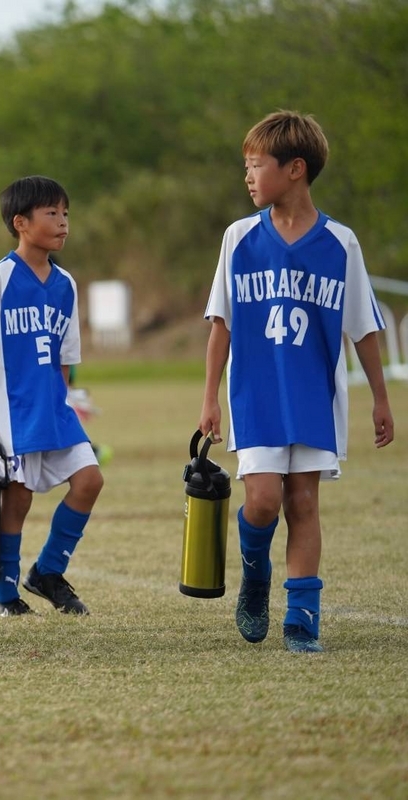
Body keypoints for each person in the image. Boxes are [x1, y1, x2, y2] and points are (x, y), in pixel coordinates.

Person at [198, 110, 394, 653]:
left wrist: (381, 399)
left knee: (303, 502)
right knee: (262, 500)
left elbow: (363, 328)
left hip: (314, 395)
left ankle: (303, 619)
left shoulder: (341, 243)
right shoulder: (239, 238)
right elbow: (221, 324)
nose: (248, 176)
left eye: (256, 165)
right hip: (256, 393)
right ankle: (255, 573)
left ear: (295, 169)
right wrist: (210, 397)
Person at [0, 176, 104, 619]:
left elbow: (65, 357)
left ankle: (47, 571)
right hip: (12, 409)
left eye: (66, 213)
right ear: (20, 223)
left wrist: (62, 402)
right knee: (18, 497)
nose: (63, 222)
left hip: (53, 407)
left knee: (89, 480)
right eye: (52, 213)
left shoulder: (65, 283)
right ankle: (1, 595)